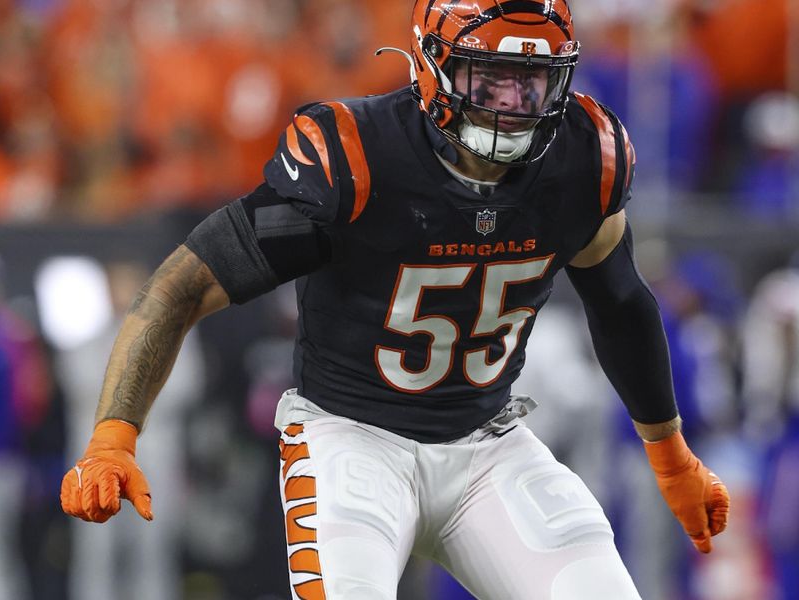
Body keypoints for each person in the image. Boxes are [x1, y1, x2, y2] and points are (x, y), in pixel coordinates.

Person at [60, 2, 730, 598]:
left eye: (530, 82)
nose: (510, 104)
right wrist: (114, 435)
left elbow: (620, 302)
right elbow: (180, 287)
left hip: (487, 443)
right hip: (352, 437)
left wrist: (670, 455)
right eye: (487, 78)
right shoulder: (358, 160)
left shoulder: (583, 160)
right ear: (434, 68)